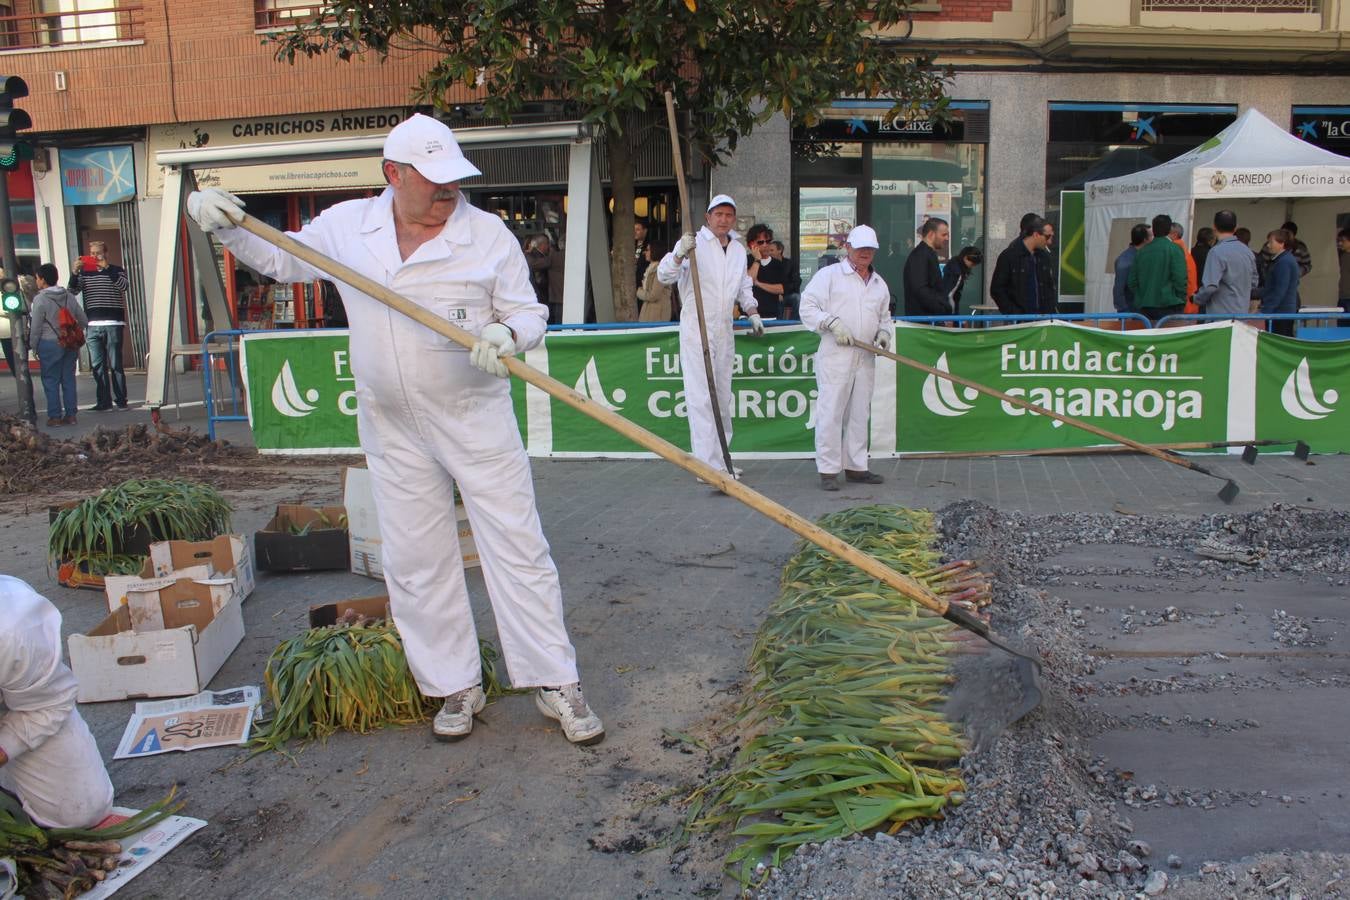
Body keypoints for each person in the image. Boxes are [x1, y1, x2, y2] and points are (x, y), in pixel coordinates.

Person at [185, 113, 604, 746]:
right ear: (394, 174)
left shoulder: (487, 236)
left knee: (517, 546)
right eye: (434, 181)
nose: (448, 192)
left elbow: (526, 310)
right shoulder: (350, 227)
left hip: (474, 416)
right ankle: (454, 685)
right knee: (415, 558)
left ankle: (554, 681)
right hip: (392, 422)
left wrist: (507, 334)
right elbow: (281, 258)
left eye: (454, 180)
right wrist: (222, 219)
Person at [657, 193, 763, 478]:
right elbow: (664, 276)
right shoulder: (694, 245)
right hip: (697, 327)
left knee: (722, 395)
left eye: (729, 215)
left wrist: (752, 311)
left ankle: (722, 458)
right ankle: (707, 465)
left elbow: (743, 286)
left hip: (723, 329)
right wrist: (679, 252)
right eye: (719, 215)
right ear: (708, 217)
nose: (724, 220)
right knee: (701, 397)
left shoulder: (739, 250)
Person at [1, 575, 115, 829]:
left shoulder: (11, 630)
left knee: (81, 809)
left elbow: (49, 704)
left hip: (26, 702)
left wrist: (5, 748)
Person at [799, 225, 891, 492]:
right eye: (860, 248)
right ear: (848, 248)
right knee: (831, 411)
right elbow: (808, 307)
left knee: (860, 412)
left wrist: (884, 333)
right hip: (836, 354)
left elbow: (885, 316)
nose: (865, 253)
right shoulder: (829, 276)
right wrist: (831, 323)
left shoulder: (878, 283)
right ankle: (828, 470)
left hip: (865, 356)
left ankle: (856, 466)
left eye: (869, 249)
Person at [68, 241, 130, 411]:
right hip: (93, 324)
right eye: (92, 253)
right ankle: (103, 402)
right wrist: (75, 272)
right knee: (98, 365)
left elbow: (124, 286)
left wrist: (107, 267)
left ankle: (121, 400)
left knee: (116, 364)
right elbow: (72, 291)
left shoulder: (117, 270)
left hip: (113, 323)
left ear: (106, 253)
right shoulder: (84, 273)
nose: (95, 257)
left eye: (99, 253)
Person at [29, 263, 86, 427]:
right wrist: (72, 334)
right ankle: (71, 415)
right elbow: (83, 320)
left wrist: (34, 346)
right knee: (68, 379)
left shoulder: (40, 300)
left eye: (37, 278)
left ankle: (55, 416)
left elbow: (36, 327)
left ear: (43, 280)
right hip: (69, 344)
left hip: (49, 343)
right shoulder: (69, 296)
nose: (36, 281)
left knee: (50, 380)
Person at [1193, 210, 1257, 321]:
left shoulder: (1216, 252)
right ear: (1235, 227)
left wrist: (1196, 298)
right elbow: (1254, 282)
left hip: (1220, 317)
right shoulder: (1247, 252)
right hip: (1242, 315)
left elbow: (1210, 287)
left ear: (1214, 227)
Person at [1127, 214, 1187, 323]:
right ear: (1169, 229)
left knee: (1148, 339)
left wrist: (1141, 295)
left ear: (1153, 230)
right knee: (1169, 339)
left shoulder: (1141, 252)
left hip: (1145, 306)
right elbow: (1180, 278)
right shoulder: (1175, 249)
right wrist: (1181, 297)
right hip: (1170, 305)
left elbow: (1132, 281)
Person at [990, 215, 1055, 316]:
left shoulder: (1044, 257)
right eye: (1047, 237)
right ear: (1036, 235)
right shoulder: (1009, 256)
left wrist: (1050, 312)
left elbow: (1049, 287)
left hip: (1043, 318)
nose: (1049, 241)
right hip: (1019, 319)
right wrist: (1012, 313)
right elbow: (997, 289)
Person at [1254, 228, 1300, 337]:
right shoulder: (1284, 260)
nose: (1268, 245)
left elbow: (1279, 290)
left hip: (1281, 312)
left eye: (1271, 242)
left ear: (1282, 244)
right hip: (1282, 311)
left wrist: (1266, 311)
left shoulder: (1284, 262)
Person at [902, 217, 950, 317]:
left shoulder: (927, 254)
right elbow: (920, 289)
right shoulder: (920, 255)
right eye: (943, 235)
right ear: (931, 234)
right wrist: (942, 309)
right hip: (923, 322)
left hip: (929, 319)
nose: (947, 238)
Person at [747, 226, 787, 318]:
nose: (765, 245)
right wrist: (757, 260)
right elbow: (749, 280)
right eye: (760, 242)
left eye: (768, 241)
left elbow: (781, 289)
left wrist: (758, 283)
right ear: (752, 244)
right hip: (748, 316)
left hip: (771, 315)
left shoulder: (777, 264)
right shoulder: (745, 260)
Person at [525, 233, 565, 324]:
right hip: (555, 297)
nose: (549, 247)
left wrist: (527, 252)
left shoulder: (555, 256)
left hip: (553, 298)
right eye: (548, 244)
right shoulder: (561, 256)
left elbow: (531, 264)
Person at [1113, 224, 1151, 314]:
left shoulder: (1144, 256)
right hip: (1132, 313)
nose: (1154, 239)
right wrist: (1124, 312)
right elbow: (1118, 289)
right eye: (1152, 236)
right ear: (1145, 240)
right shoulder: (1125, 260)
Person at [940, 246, 983, 316]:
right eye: (972, 264)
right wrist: (950, 316)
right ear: (965, 258)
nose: (972, 267)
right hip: (947, 311)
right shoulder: (956, 273)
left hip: (944, 308)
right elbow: (949, 295)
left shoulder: (952, 264)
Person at [636, 241, 672, 322]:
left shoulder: (660, 270)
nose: (645, 252)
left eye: (648, 250)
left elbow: (653, 295)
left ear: (655, 251)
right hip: (650, 312)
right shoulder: (651, 269)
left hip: (656, 315)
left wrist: (638, 292)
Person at [1168, 223, 1198, 307]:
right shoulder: (1183, 250)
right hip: (1189, 300)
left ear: (1174, 234)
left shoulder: (1175, 250)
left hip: (1182, 302)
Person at [770, 241, 801, 318]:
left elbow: (797, 282)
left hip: (787, 294)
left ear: (780, 250)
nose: (769, 253)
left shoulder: (789, 263)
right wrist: (777, 294)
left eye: (772, 250)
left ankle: (794, 323)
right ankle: (778, 325)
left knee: (797, 298)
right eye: (768, 251)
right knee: (776, 301)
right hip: (771, 296)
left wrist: (783, 292)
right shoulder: (767, 265)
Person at [1338, 227, 1350, 327]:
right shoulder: (1343, 256)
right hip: (1342, 297)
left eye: (1343, 241)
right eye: (1339, 241)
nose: (1340, 243)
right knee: (1342, 327)